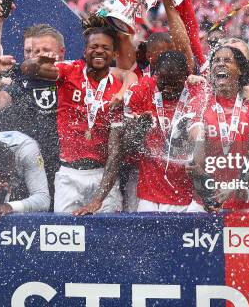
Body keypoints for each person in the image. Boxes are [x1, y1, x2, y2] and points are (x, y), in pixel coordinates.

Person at [19, 17, 129, 213]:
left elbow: (115, 152)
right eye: (94, 46)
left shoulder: (119, 88)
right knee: (65, 240)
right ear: (84, 51)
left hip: (103, 175)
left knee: (110, 240)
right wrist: (41, 60)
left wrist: (98, 200)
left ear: (113, 53)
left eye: (105, 47)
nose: (99, 51)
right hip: (68, 175)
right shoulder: (69, 71)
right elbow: (28, 69)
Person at [77, 51, 205, 214]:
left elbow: (206, 141)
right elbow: (122, 149)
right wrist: (138, 130)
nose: (169, 88)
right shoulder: (141, 91)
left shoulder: (199, 92)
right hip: (150, 197)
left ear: (186, 77)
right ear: (155, 75)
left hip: (190, 198)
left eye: (176, 84)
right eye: (164, 82)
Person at [0, 24, 65, 210]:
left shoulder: (71, 74)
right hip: (28, 169)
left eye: (46, 50)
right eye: (34, 50)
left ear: (61, 52)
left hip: (65, 169)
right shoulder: (21, 77)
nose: (39, 55)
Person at [188, 46, 249, 213]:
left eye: (227, 60)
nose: (220, 64)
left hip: (246, 205)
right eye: (216, 61)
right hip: (204, 203)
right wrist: (206, 191)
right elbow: (196, 155)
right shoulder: (199, 103)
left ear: (239, 70)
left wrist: (238, 188)